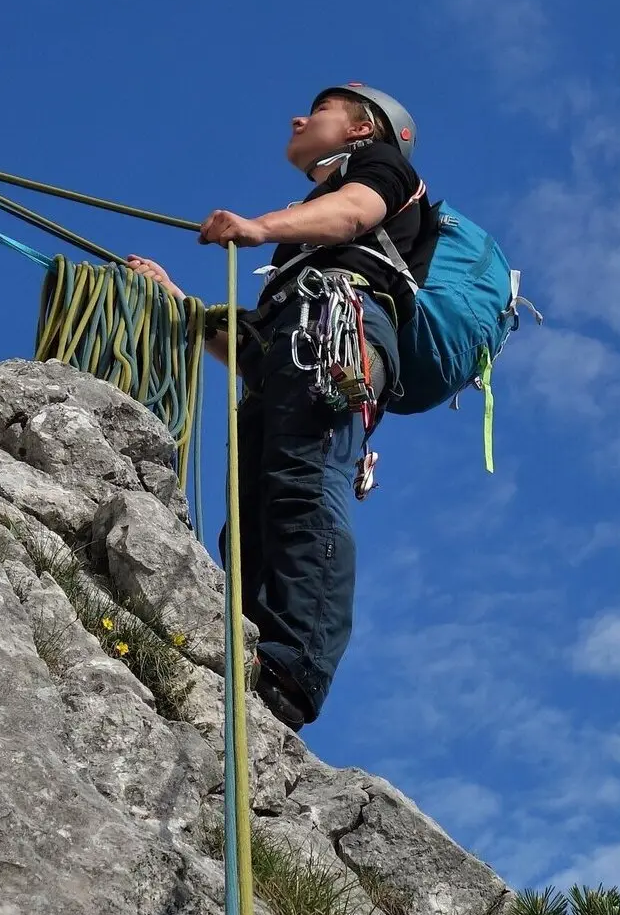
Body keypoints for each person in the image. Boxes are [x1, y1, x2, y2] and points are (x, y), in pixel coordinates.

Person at [128, 84, 432, 732]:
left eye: (319, 110)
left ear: (361, 130)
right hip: (298, 337)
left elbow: (353, 215)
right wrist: (177, 303)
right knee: (253, 509)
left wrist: (258, 226)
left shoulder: (381, 168)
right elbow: (253, 349)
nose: (298, 116)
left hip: (338, 327)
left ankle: (294, 663)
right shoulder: (305, 232)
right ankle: (252, 648)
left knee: (301, 479)